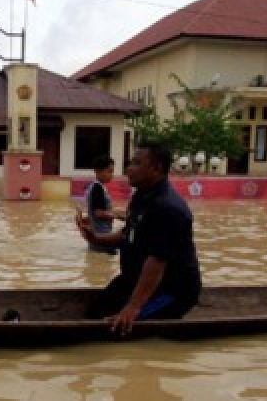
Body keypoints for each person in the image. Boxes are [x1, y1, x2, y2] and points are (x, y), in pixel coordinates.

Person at [76, 142, 202, 334]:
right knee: (96, 311)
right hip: (134, 279)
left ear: (156, 167)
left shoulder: (168, 208)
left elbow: (156, 262)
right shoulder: (140, 198)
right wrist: (97, 238)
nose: (128, 169)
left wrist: (133, 306)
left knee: (117, 327)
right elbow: (128, 234)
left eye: (136, 163)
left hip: (171, 290)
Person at [82, 155, 118, 254]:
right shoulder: (97, 189)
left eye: (112, 172)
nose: (112, 175)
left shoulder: (95, 187)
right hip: (102, 238)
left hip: (98, 238)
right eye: (109, 171)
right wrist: (117, 215)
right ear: (98, 171)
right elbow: (98, 213)